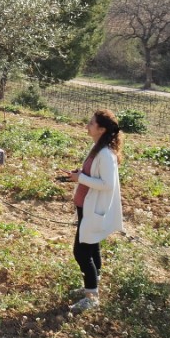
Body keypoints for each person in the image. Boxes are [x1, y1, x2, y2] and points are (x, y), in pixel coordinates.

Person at [65, 109, 124, 313]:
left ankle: (91, 297)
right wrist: (79, 174)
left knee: (81, 252)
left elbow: (107, 184)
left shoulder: (106, 154)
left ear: (101, 129)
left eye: (91, 123)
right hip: (87, 207)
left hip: (94, 209)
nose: (87, 126)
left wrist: (80, 178)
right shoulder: (97, 148)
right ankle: (93, 285)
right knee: (92, 247)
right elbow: (93, 175)